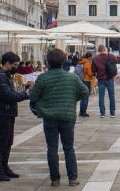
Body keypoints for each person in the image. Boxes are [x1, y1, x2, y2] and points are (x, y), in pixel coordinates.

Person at [29, 49, 88, 188]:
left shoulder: (43, 78)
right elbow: (85, 91)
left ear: (48, 62)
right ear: (63, 61)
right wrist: (72, 99)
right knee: (69, 148)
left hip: (50, 117)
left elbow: (33, 96)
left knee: (52, 148)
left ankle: (55, 179)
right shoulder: (72, 77)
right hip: (67, 116)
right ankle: (73, 178)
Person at [0, 51, 29, 182]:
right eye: (14, 65)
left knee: (8, 142)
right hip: (2, 112)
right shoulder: (0, 77)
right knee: (1, 142)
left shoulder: (4, 76)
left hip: (7, 112)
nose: (16, 67)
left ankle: (4, 167)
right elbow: (8, 95)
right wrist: (25, 95)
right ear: (7, 63)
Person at [92, 45, 118, 118]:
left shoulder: (95, 58)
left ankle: (102, 113)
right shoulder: (109, 56)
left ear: (98, 50)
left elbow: (93, 69)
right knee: (111, 96)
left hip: (100, 79)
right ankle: (112, 113)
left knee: (101, 96)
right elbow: (116, 61)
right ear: (104, 49)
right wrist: (111, 54)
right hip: (109, 78)